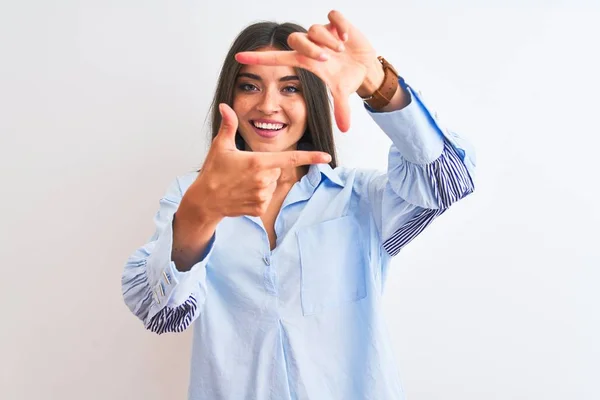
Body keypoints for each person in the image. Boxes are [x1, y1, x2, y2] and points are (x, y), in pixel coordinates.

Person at [121, 9, 475, 400]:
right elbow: (161, 313)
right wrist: (201, 213)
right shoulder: (192, 195)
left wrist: (378, 83)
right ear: (229, 96)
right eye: (249, 87)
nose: (269, 105)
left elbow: (447, 181)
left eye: (290, 88)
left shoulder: (358, 198)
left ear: (313, 101)